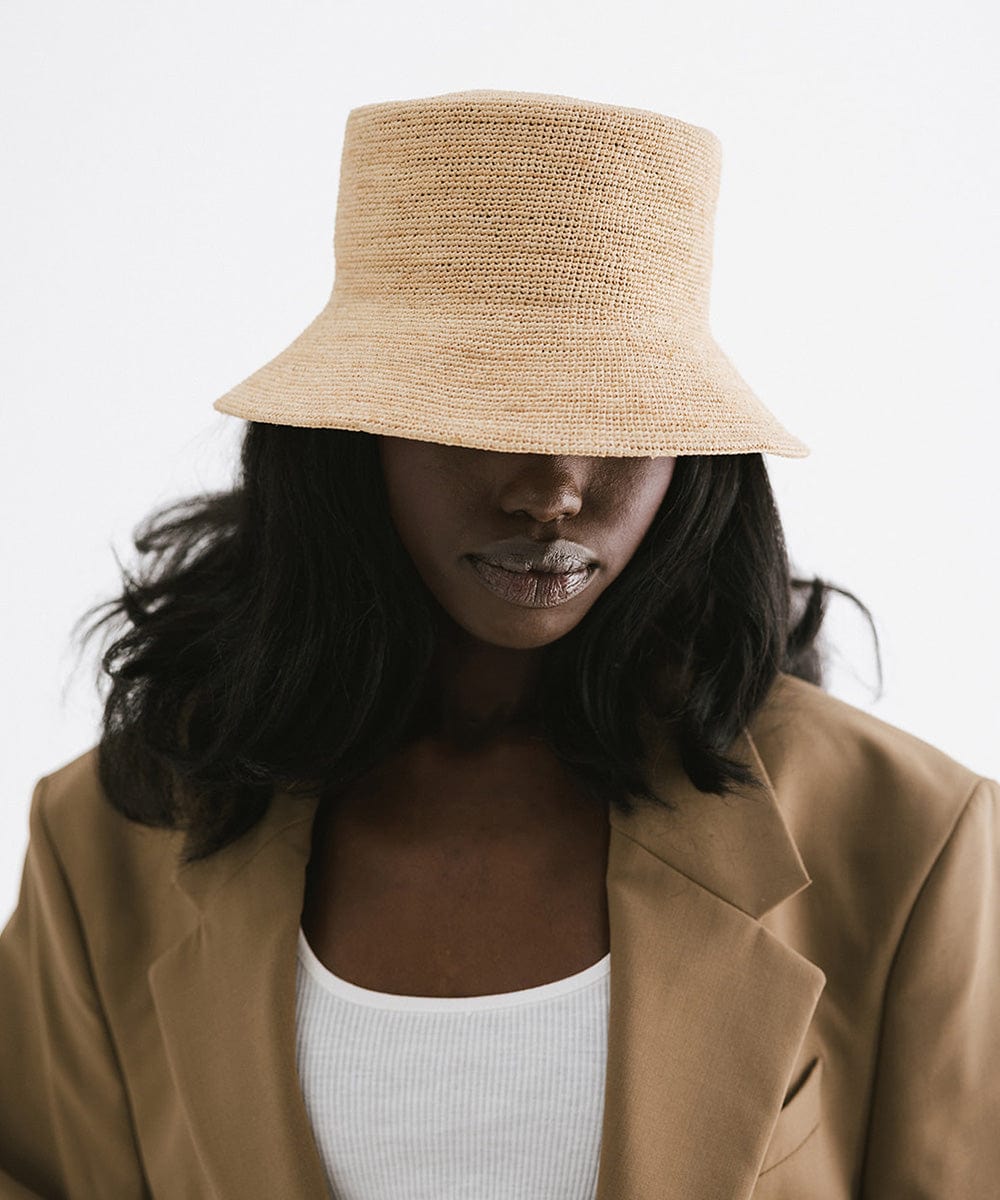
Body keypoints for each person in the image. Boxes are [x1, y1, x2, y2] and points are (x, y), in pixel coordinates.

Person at [0, 89, 996, 1200]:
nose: (557, 488)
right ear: (352, 434)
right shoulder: (111, 840)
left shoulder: (905, 835)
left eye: (623, 410)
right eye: (479, 406)